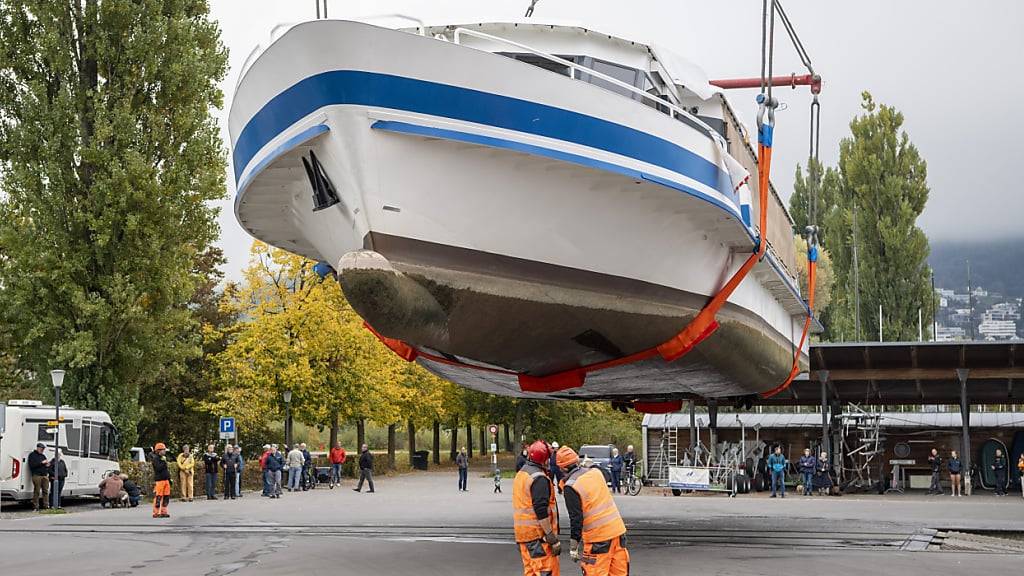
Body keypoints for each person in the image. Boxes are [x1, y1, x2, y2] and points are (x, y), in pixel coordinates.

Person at [557, 445, 629, 576]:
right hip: (618, 533)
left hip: (598, 540)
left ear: (562, 468)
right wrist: (592, 465)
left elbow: (576, 518)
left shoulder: (571, 486)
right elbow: (607, 475)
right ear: (577, 461)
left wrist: (573, 546)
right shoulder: (595, 472)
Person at [513, 440, 560, 576]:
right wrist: (551, 537)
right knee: (546, 571)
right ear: (545, 460)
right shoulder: (539, 478)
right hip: (539, 539)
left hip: (524, 537)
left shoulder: (522, 474)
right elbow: (541, 510)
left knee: (531, 572)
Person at [27, 443, 50, 511]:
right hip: (36, 475)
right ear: (38, 448)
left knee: (45, 491)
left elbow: (45, 464)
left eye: (43, 449)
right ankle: (35, 506)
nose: (42, 450)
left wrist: (47, 465)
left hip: (44, 475)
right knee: (37, 491)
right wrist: (41, 463)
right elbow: (32, 465)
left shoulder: (43, 456)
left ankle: (46, 505)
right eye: (41, 448)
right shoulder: (32, 455)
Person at [151, 442, 171, 518]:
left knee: (166, 497)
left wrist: (169, 479)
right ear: (158, 451)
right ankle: (156, 513)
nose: (164, 451)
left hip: (166, 480)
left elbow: (166, 470)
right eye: (163, 450)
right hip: (159, 481)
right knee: (158, 497)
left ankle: (164, 512)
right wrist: (164, 462)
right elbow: (158, 468)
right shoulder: (155, 459)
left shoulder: (163, 459)